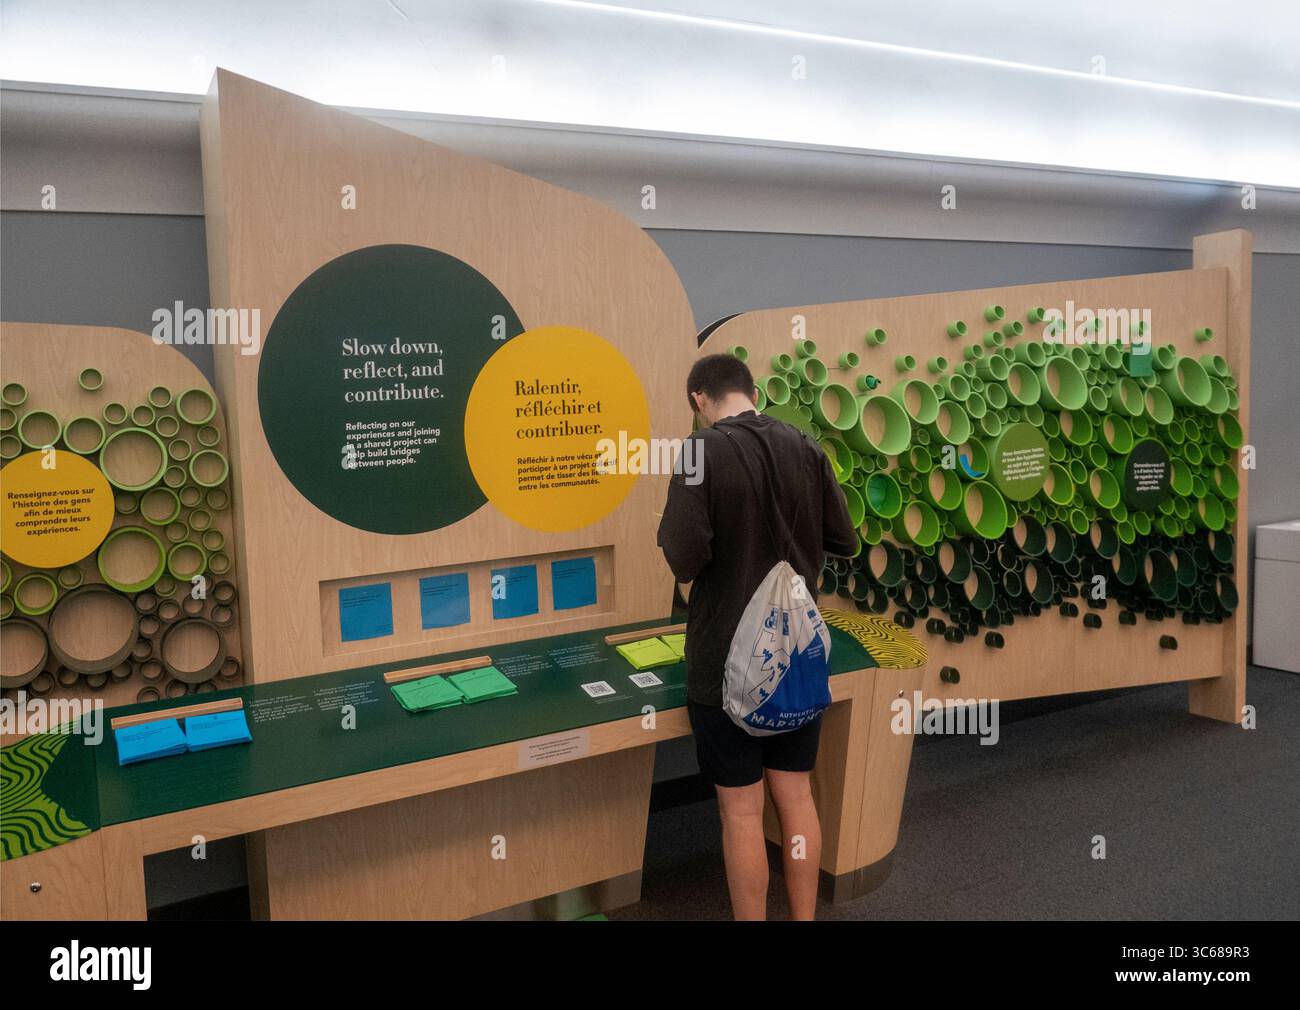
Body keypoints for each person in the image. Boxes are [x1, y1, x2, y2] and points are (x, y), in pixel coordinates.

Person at [657, 353, 859, 920]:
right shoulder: (805, 446)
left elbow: (684, 555)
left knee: (742, 815)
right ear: (752, 390)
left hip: (725, 662)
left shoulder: (701, 450)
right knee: (797, 801)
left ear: (700, 398)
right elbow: (843, 540)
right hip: (798, 658)